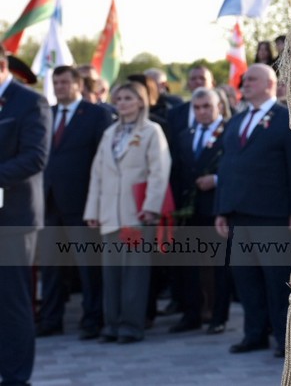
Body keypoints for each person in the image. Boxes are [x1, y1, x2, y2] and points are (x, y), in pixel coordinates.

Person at [214, 64, 291, 358]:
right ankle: (254, 334)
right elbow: (226, 166)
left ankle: (285, 338)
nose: (246, 83)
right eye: (245, 79)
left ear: (270, 83)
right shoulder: (237, 120)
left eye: (252, 79)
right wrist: (222, 209)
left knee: (277, 280)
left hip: (273, 215)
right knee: (246, 279)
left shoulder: (287, 118)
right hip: (239, 214)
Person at [83, 80, 171, 343]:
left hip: (136, 214)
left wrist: (151, 207)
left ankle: (131, 326)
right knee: (111, 274)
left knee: (134, 273)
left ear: (141, 102)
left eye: (128, 98)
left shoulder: (152, 131)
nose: (122, 103)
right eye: (119, 99)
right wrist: (92, 210)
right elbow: (97, 174)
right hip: (110, 214)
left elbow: (159, 171)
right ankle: (111, 325)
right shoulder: (110, 133)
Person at [37, 65, 115, 340]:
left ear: (78, 85)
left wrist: (100, 200)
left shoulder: (96, 114)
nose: (59, 87)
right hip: (49, 203)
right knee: (51, 266)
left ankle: (93, 319)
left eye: (65, 82)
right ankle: (50, 320)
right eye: (56, 82)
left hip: (83, 203)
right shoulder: (46, 113)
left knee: (88, 266)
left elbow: (104, 159)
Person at [0, 50, 51, 386]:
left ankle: (16, 378)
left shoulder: (30, 102)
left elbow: (35, 157)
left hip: (13, 221)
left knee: (12, 302)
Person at [168, 87, 230, 333]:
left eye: (207, 106)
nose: (202, 112)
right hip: (189, 210)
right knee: (189, 264)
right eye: (197, 107)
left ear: (219, 107)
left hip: (216, 208)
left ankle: (218, 317)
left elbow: (238, 167)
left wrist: (217, 179)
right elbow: (178, 170)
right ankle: (191, 314)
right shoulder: (185, 135)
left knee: (219, 267)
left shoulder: (229, 132)